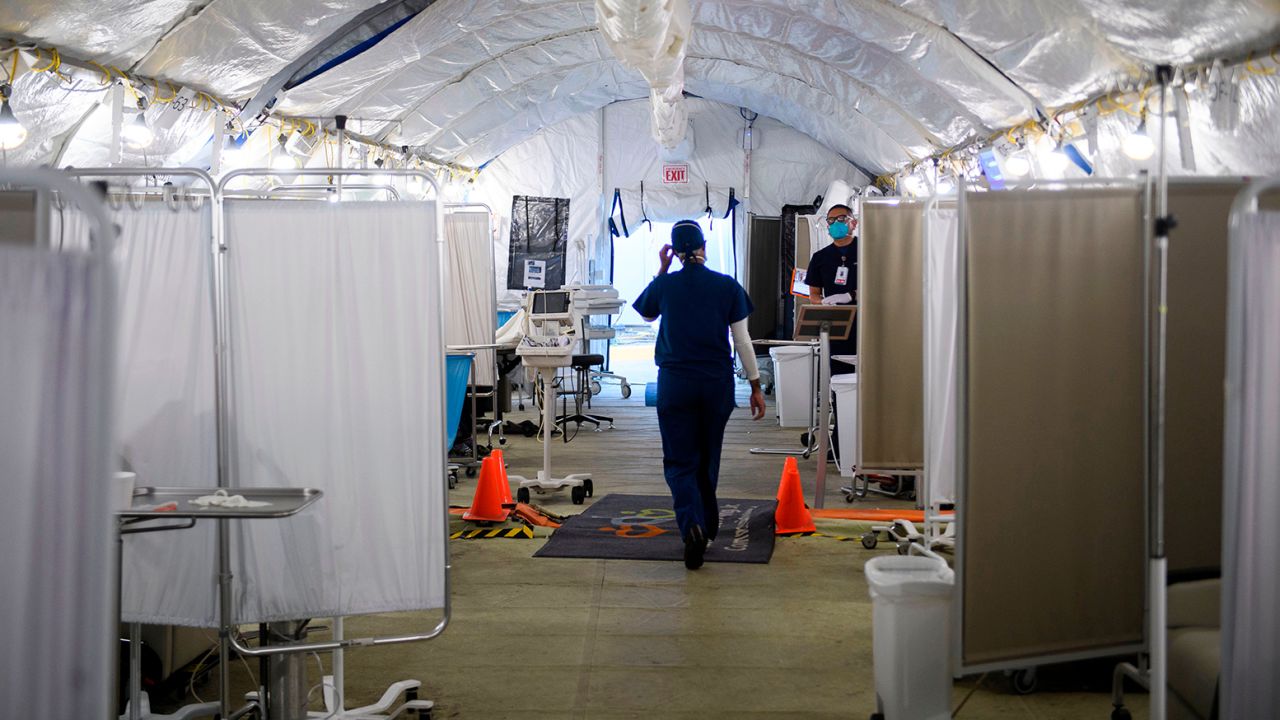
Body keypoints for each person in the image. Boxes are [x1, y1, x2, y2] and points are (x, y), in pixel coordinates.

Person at [633, 220, 767, 570]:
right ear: (703, 246)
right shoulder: (726, 286)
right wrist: (754, 385)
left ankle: (690, 524)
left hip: (676, 383)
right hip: (715, 384)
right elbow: (741, 341)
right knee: (708, 458)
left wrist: (662, 270)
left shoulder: (666, 285)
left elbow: (647, 314)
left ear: (675, 251)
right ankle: (706, 529)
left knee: (680, 461)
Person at [804, 204, 859, 462]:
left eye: (841, 219)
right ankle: (840, 445)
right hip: (836, 330)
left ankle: (867, 443)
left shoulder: (867, 250)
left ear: (853, 222)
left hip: (866, 326)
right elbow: (814, 294)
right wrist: (823, 303)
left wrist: (850, 295)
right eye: (830, 220)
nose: (835, 224)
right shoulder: (820, 257)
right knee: (839, 386)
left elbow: (879, 284)